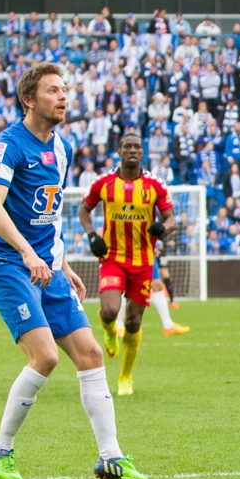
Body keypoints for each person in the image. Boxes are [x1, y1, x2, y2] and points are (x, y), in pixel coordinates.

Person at [0, 62, 145, 479]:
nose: (64, 97)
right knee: (46, 357)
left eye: (66, 89)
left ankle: (110, 456)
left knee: (89, 354)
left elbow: (49, 217)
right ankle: (0, 451)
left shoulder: (63, 148)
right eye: (54, 90)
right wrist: (28, 253)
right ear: (30, 99)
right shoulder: (8, 145)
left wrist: (63, 264)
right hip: (9, 265)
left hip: (46, 265)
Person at [78, 132, 180, 397]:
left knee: (134, 322)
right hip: (112, 258)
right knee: (110, 310)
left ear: (142, 153)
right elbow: (83, 209)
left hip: (143, 262)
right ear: (120, 151)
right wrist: (92, 236)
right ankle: (110, 332)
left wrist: (162, 228)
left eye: (137, 146)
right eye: (127, 146)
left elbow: (172, 219)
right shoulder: (104, 183)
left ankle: (125, 376)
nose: (132, 150)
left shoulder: (154, 185)